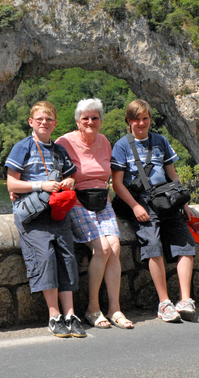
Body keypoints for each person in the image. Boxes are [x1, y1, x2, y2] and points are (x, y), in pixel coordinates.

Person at [5, 101, 86, 338]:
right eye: (39, 119)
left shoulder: (59, 150)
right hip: (32, 215)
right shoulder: (22, 147)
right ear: (31, 122)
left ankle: (71, 314)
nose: (44, 123)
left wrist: (70, 181)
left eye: (48, 119)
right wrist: (41, 185)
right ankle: (54, 316)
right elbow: (12, 184)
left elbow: (72, 176)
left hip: (57, 212)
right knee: (46, 258)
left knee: (67, 259)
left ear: (55, 123)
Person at [110, 99, 197, 323]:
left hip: (167, 200)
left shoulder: (160, 141)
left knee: (185, 244)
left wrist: (184, 203)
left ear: (150, 119)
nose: (141, 123)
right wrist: (135, 206)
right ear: (128, 121)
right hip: (141, 203)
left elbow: (172, 174)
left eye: (145, 118)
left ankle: (185, 300)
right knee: (153, 246)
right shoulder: (121, 146)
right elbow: (117, 184)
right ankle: (164, 303)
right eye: (136, 119)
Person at [56, 98, 134, 329]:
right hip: (78, 202)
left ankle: (115, 309)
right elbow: (55, 172)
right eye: (85, 118)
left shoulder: (104, 142)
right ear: (78, 122)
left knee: (115, 247)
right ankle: (92, 308)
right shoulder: (64, 142)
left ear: (100, 120)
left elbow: (107, 175)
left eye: (95, 118)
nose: (90, 122)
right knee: (102, 249)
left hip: (102, 201)